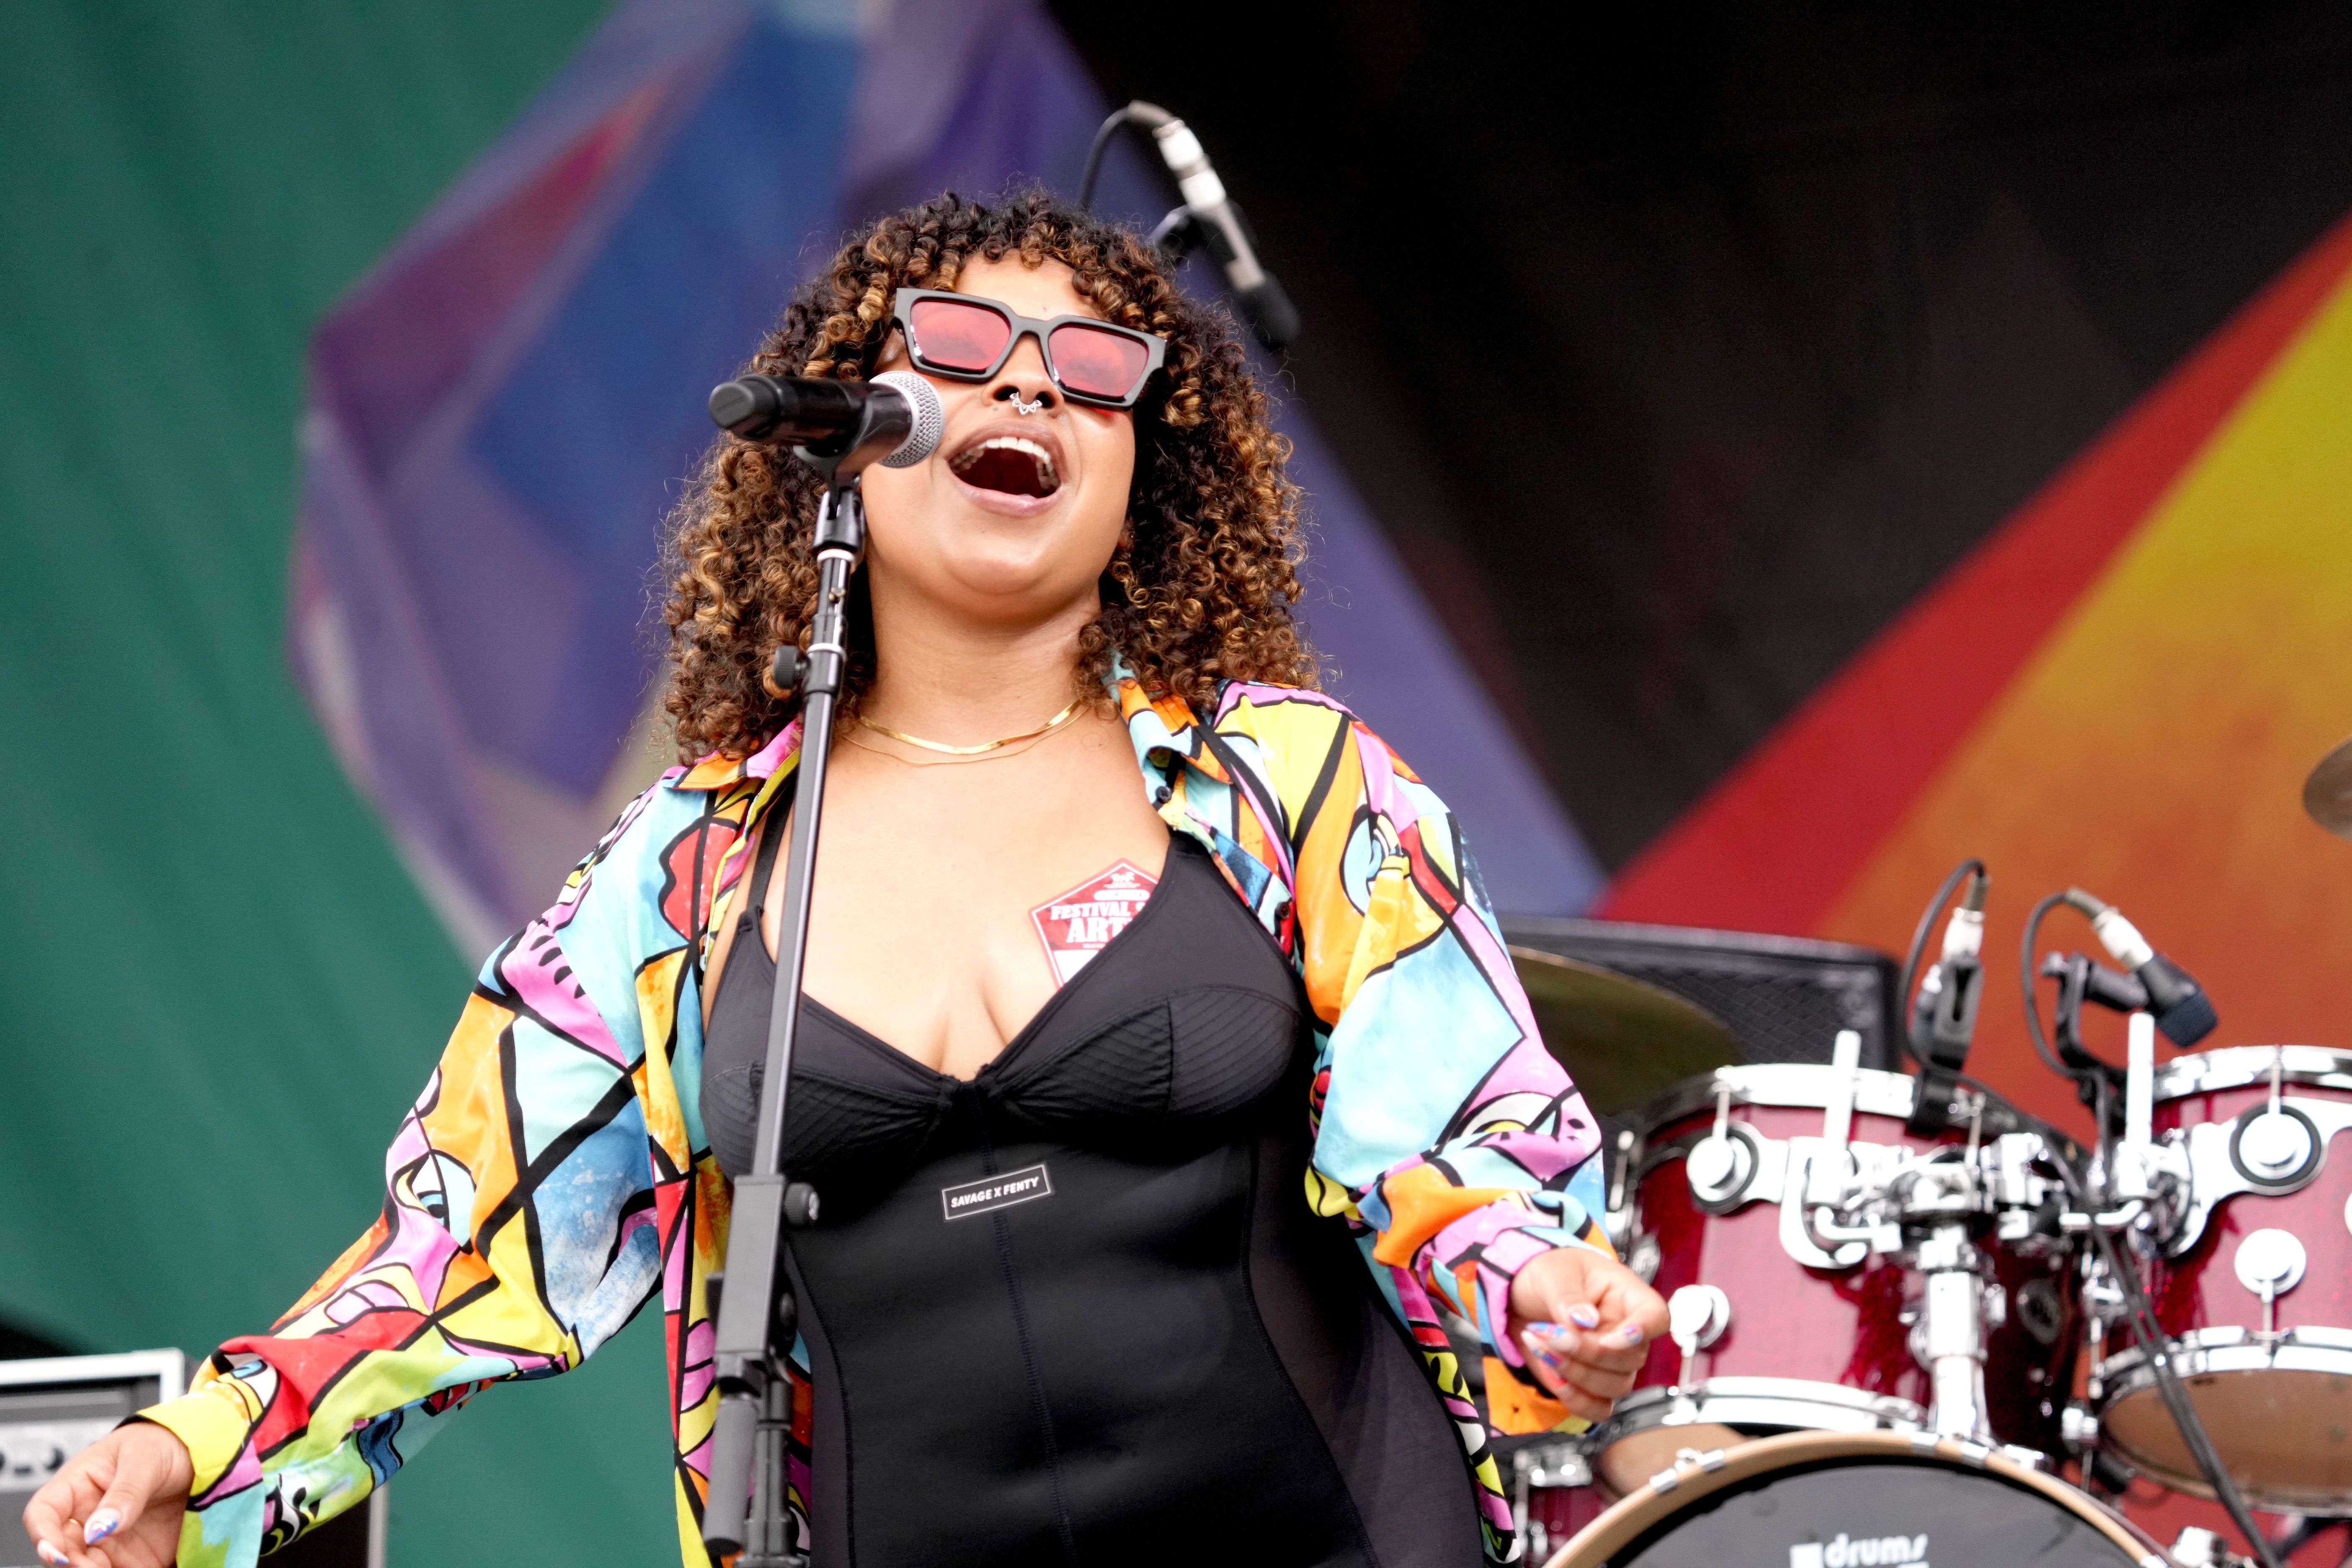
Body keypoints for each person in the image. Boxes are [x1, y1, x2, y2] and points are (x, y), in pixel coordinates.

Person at [26, 188, 1667, 1568]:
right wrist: (203, 1455)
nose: (1031, 394)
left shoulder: (1291, 783)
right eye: (959, 351)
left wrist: (1549, 1284)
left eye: (1095, 374)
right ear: (842, 444)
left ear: (1143, 473)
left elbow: (1460, 1146)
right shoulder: (683, 871)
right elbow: (468, 1252)